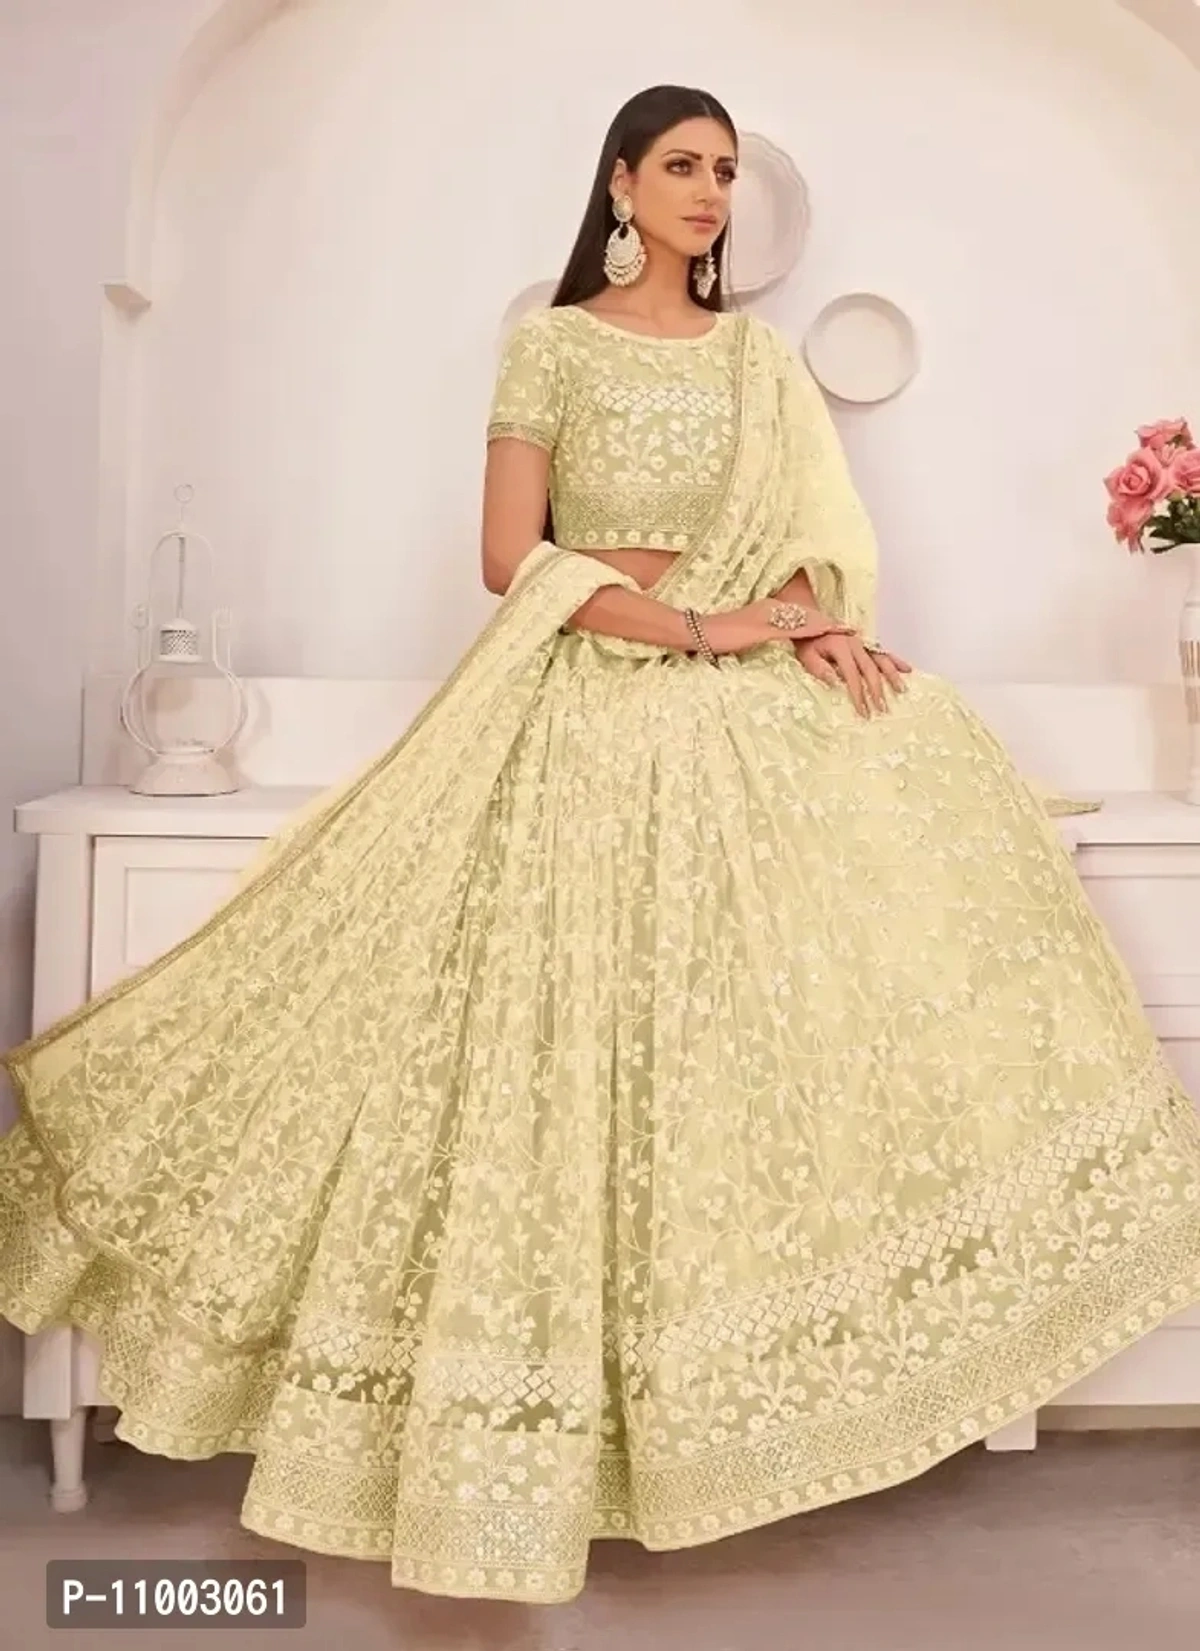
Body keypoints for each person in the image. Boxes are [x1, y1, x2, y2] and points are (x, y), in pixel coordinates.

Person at [3, 82, 1200, 1609]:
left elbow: (806, 543)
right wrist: (694, 622)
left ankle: (743, 1385)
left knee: (918, 759)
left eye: (727, 172)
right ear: (621, 185)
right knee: (518, 1028)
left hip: (736, 684)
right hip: (582, 693)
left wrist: (806, 624)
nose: (709, 193)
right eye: (682, 166)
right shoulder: (555, 346)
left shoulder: (760, 365)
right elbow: (514, 558)